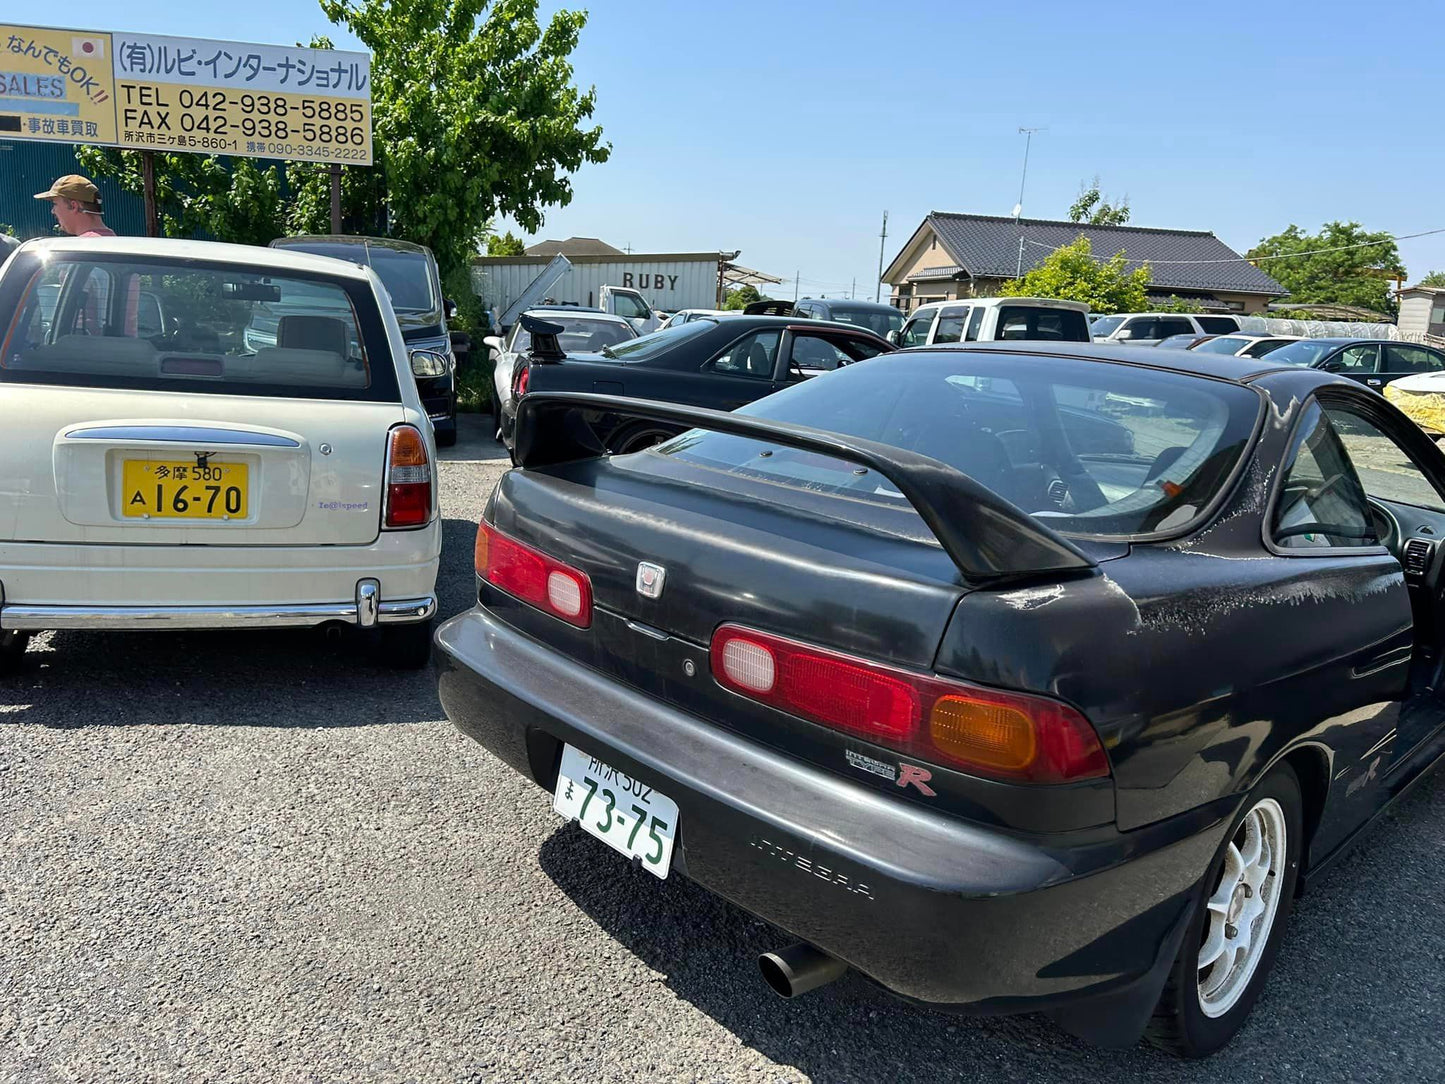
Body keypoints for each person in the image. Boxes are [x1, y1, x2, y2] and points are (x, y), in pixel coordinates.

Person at [33, 175, 116, 237]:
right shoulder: (114, 240)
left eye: (55, 204)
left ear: (74, 206)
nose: (53, 211)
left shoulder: (84, 248)